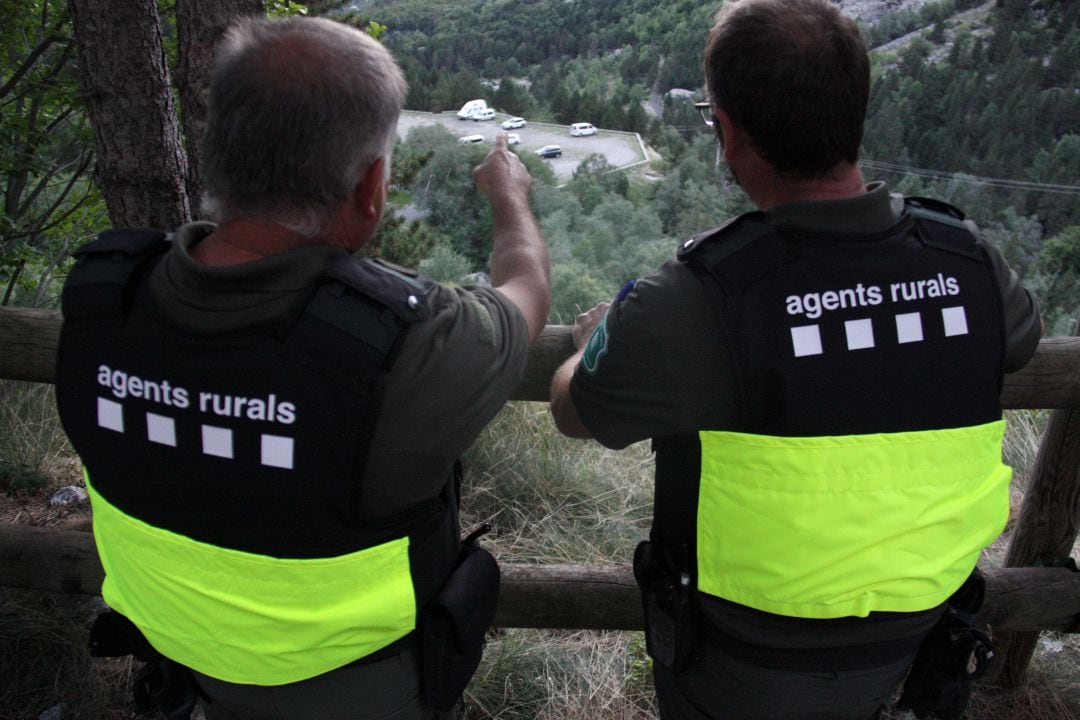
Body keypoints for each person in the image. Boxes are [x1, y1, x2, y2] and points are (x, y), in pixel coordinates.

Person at [549, 1, 1041, 718]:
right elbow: (1020, 342)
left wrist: (588, 345)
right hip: (923, 628)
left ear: (728, 133)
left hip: (738, 654)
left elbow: (575, 412)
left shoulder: (692, 299)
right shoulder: (969, 261)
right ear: (855, 113)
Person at [54, 16, 549, 720]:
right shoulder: (410, 343)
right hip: (358, 687)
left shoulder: (102, 295)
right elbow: (525, 291)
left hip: (176, 650)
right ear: (371, 186)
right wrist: (510, 198)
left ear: (218, 159)